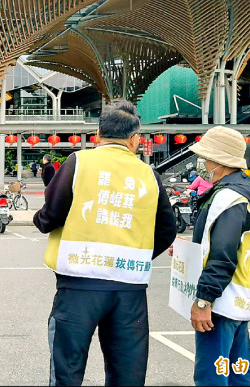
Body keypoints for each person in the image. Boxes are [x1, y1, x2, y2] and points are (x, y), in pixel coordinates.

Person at [33, 100, 176, 386]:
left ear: (98, 133)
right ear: (135, 139)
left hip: (78, 283)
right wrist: (137, 255)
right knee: (127, 372)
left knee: (67, 370)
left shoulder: (79, 162)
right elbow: (166, 230)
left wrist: (40, 220)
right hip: (129, 286)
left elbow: (51, 215)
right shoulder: (149, 175)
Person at [187, 126, 250, 386]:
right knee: (237, 375)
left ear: (220, 161)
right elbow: (224, 242)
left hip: (221, 304)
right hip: (240, 301)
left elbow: (222, 255)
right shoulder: (246, 192)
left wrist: (203, 302)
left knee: (211, 377)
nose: (204, 163)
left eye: (207, 158)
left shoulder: (228, 198)